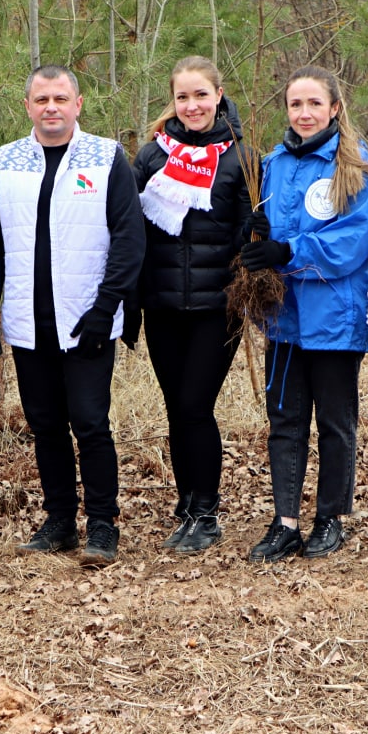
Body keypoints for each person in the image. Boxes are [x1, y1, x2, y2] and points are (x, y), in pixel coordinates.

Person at [0, 65, 144, 567]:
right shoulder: (6, 161)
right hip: (28, 322)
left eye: (61, 98)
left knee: (90, 423)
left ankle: (104, 526)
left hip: (88, 320)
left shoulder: (106, 157)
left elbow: (129, 242)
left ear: (78, 104)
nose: (51, 107)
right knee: (45, 425)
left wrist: (105, 307)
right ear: (27, 106)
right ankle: (60, 521)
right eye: (42, 99)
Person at [242, 66, 368, 562]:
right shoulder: (273, 163)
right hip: (283, 317)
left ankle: (330, 519)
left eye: (314, 104)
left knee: (335, 422)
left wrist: (288, 250)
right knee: (285, 419)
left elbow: (353, 242)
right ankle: (284, 522)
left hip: (335, 317)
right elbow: (270, 232)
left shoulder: (355, 165)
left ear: (334, 108)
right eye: (295, 104)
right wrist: (258, 233)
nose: (304, 113)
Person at [132, 56, 253, 553]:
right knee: (175, 409)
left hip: (216, 308)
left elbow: (251, 229)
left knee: (194, 406)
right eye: (183, 96)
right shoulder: (151, 156)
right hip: (162, 306)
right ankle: (187, 505)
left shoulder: (240, 157)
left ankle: (207, 513)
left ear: (218, 95)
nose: (192, 105)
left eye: (201, 95)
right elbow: (130, 231)